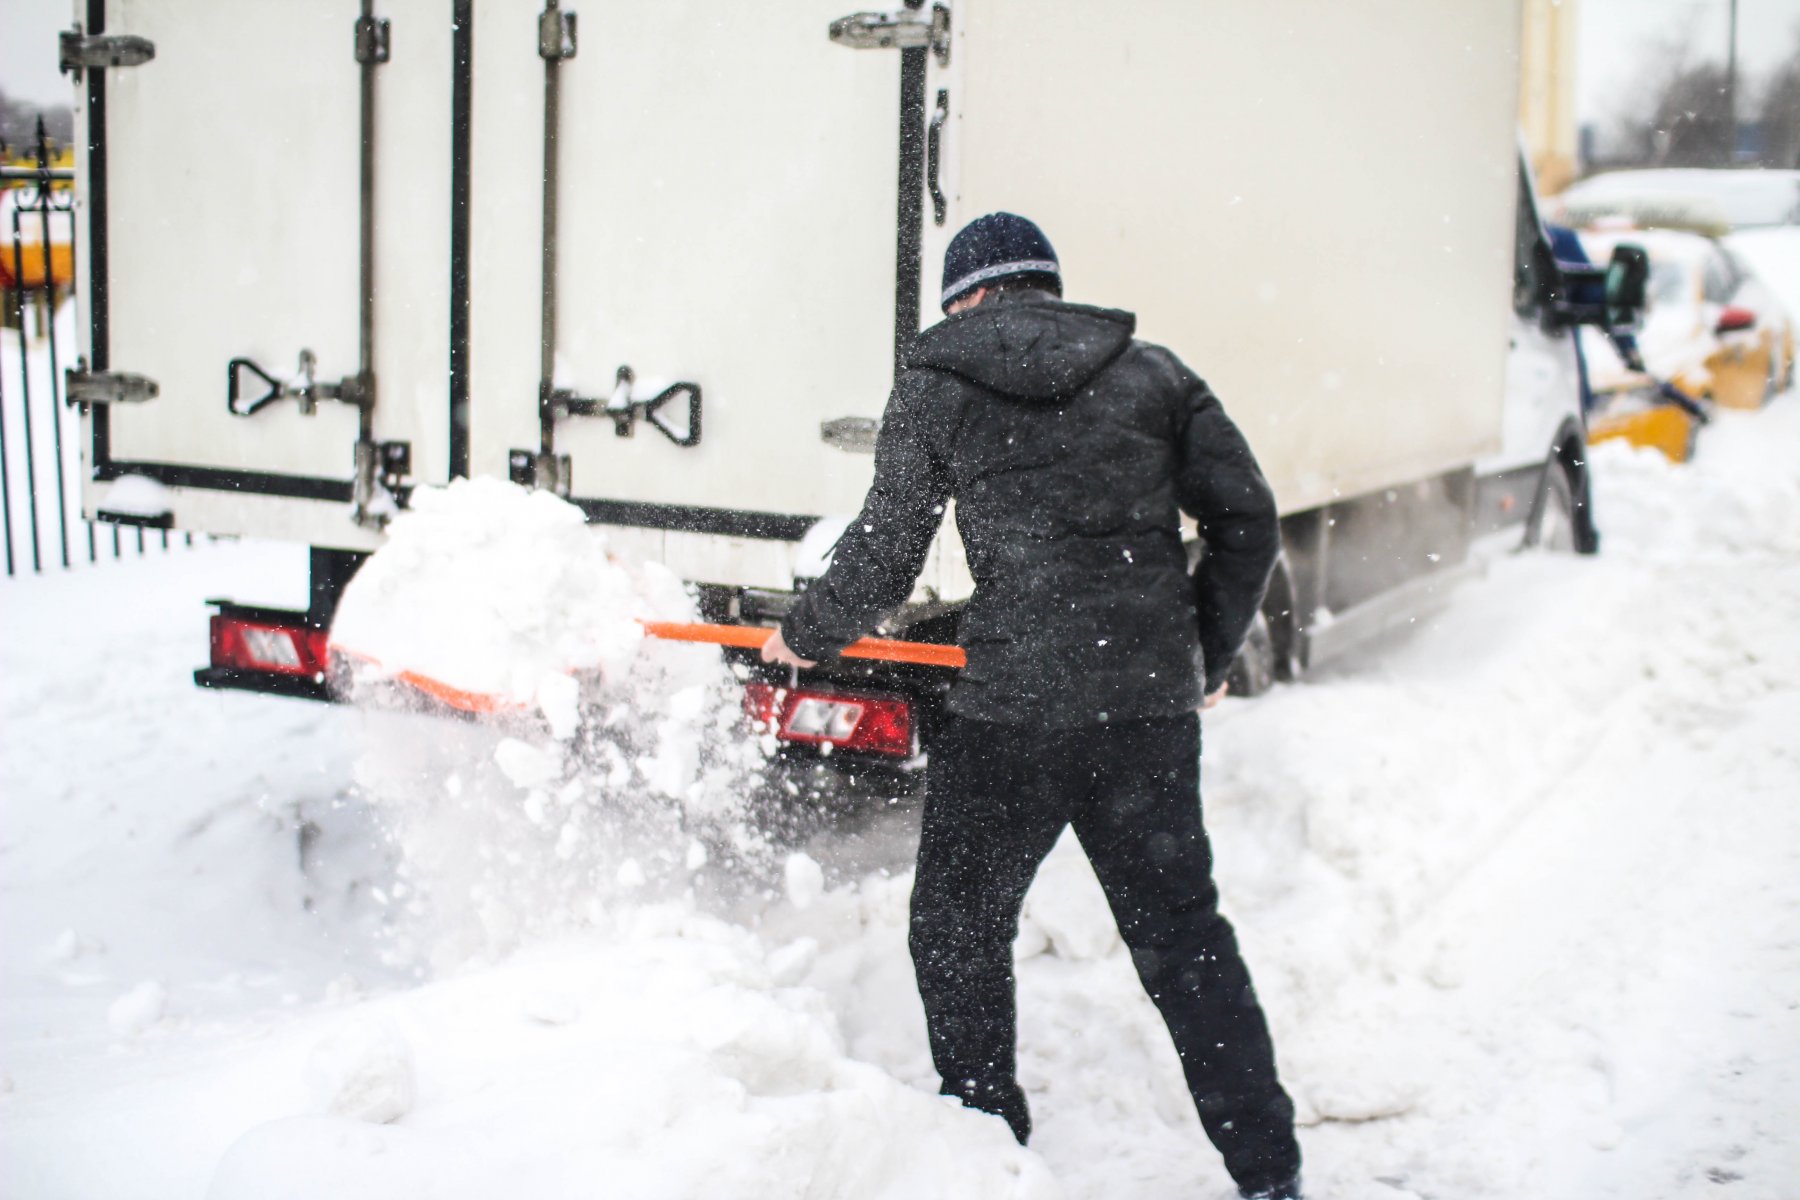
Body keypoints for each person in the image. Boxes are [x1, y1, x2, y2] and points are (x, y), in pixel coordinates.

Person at [762, 212, 1302, 1200]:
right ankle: (1269, 1171)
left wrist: (805, 633)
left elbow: (887, 551)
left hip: (1012, 713)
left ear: (966, 299)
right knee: (1184, 943)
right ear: (1045, 286)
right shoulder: (1151, 372)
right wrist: (1203, 654)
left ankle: (986, 1139)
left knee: (958, 929)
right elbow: (1247, 519)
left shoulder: (939, 382)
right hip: (1141, 713)